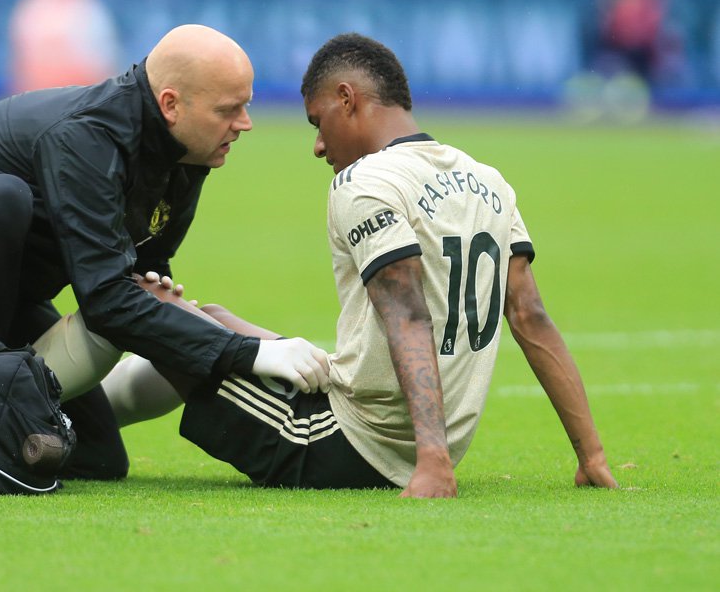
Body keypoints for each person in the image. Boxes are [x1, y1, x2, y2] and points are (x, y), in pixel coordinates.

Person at [102, 33, 618, 497]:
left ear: (347, 99)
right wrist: (591, 456)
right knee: (209, 315)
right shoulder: (488, 180)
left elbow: (407, 315)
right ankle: (90, 416)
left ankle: (73, 425)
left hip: (344, 442)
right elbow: (530, 316)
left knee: (152, 306)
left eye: (318, 121)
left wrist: (433, 462)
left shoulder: (366, 183)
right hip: (401, 428)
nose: (319, 146)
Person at [0, 24, 329, 480]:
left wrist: (178, 325)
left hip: (0, 280)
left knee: (97, 455)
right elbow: (105, 302)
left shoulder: (186, 155)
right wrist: (247, 354)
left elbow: (137, 282)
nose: (245, 123)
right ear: (170, 104)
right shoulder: (89, 137)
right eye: (229, 109)